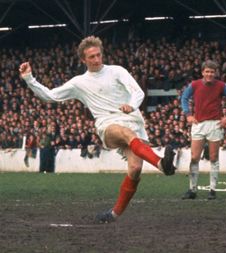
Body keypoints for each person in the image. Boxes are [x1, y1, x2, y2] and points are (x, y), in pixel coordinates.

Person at [19, 36, 176, 224]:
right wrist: (29, 78)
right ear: (83, 60)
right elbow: (49, 96)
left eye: (98, 55)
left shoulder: (117, 71)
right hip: (107, 123)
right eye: (91, 57)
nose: (96, 59)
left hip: (133, 120)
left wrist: (132, 106)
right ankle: (161, 164)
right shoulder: (79, 82)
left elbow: (138, 92)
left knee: (135, 169)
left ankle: (113, 214)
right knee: (125, 134)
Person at [180, 60, 226, 200]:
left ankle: (212, 190)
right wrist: (188, 114)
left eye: (212, 72)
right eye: (207, 71)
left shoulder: (221, 85)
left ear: (215, 73)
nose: (209, 74)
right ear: (202, 72)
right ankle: (192, 190)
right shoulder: (194, 85)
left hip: (215, 124)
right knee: (194, 157)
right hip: (198, 124)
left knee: (213, 157)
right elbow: (184, 97)